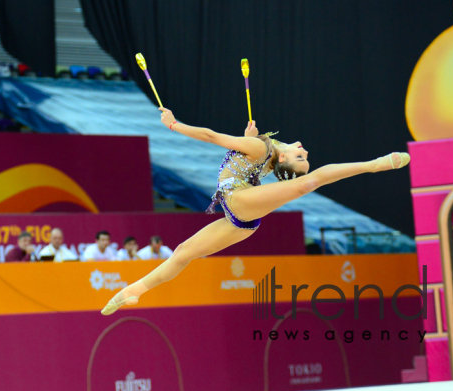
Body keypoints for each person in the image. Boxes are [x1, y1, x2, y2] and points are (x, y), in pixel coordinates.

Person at [101, 108, 410, 315]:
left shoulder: (263, 149)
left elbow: (210, 136)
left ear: (286, 157)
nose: (305, 151)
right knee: (183, 252)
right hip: (241, 219)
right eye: (304, 157)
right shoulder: (262, 149)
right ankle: (134, 291)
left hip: (239, 202)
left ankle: (374, 164)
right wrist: (249, 138)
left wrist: (173, 124)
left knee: (308, 184)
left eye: (301, 157)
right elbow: (247, 162)